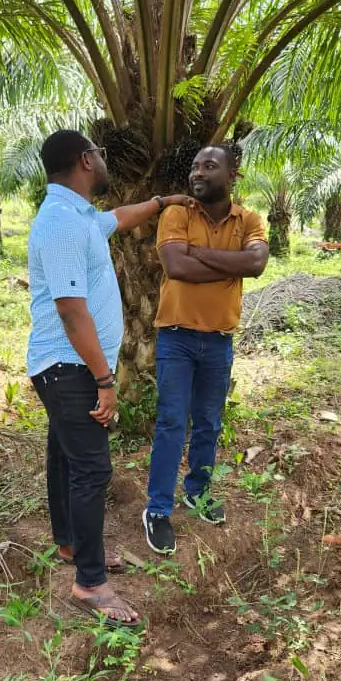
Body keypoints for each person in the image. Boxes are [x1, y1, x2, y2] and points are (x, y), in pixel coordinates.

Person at [27, 129, 194, 627]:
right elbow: (71, 309)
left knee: (66, 457)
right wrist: (104, 379)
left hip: (66, 367)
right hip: (69, 368)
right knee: (92, 469)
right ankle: (90, 583)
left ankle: (71, 545)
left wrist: (161, 202)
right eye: (99, 154)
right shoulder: (60, 222)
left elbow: (118, 218)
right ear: (85, 160)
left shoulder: (78, 214)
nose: (103, 160)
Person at [142, 144, 269, 555]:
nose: (198, 172)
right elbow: (176, 267)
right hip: (176, 337)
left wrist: (197, 252)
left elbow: (255, 264)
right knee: (172, 422)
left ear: (233, 175)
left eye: (209, 166)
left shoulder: (249, 220)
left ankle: (197, 492)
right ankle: (158, 510)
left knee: (209, 423)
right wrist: (229, 262)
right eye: (195, 166)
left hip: (218, 339)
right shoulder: (177, 213)